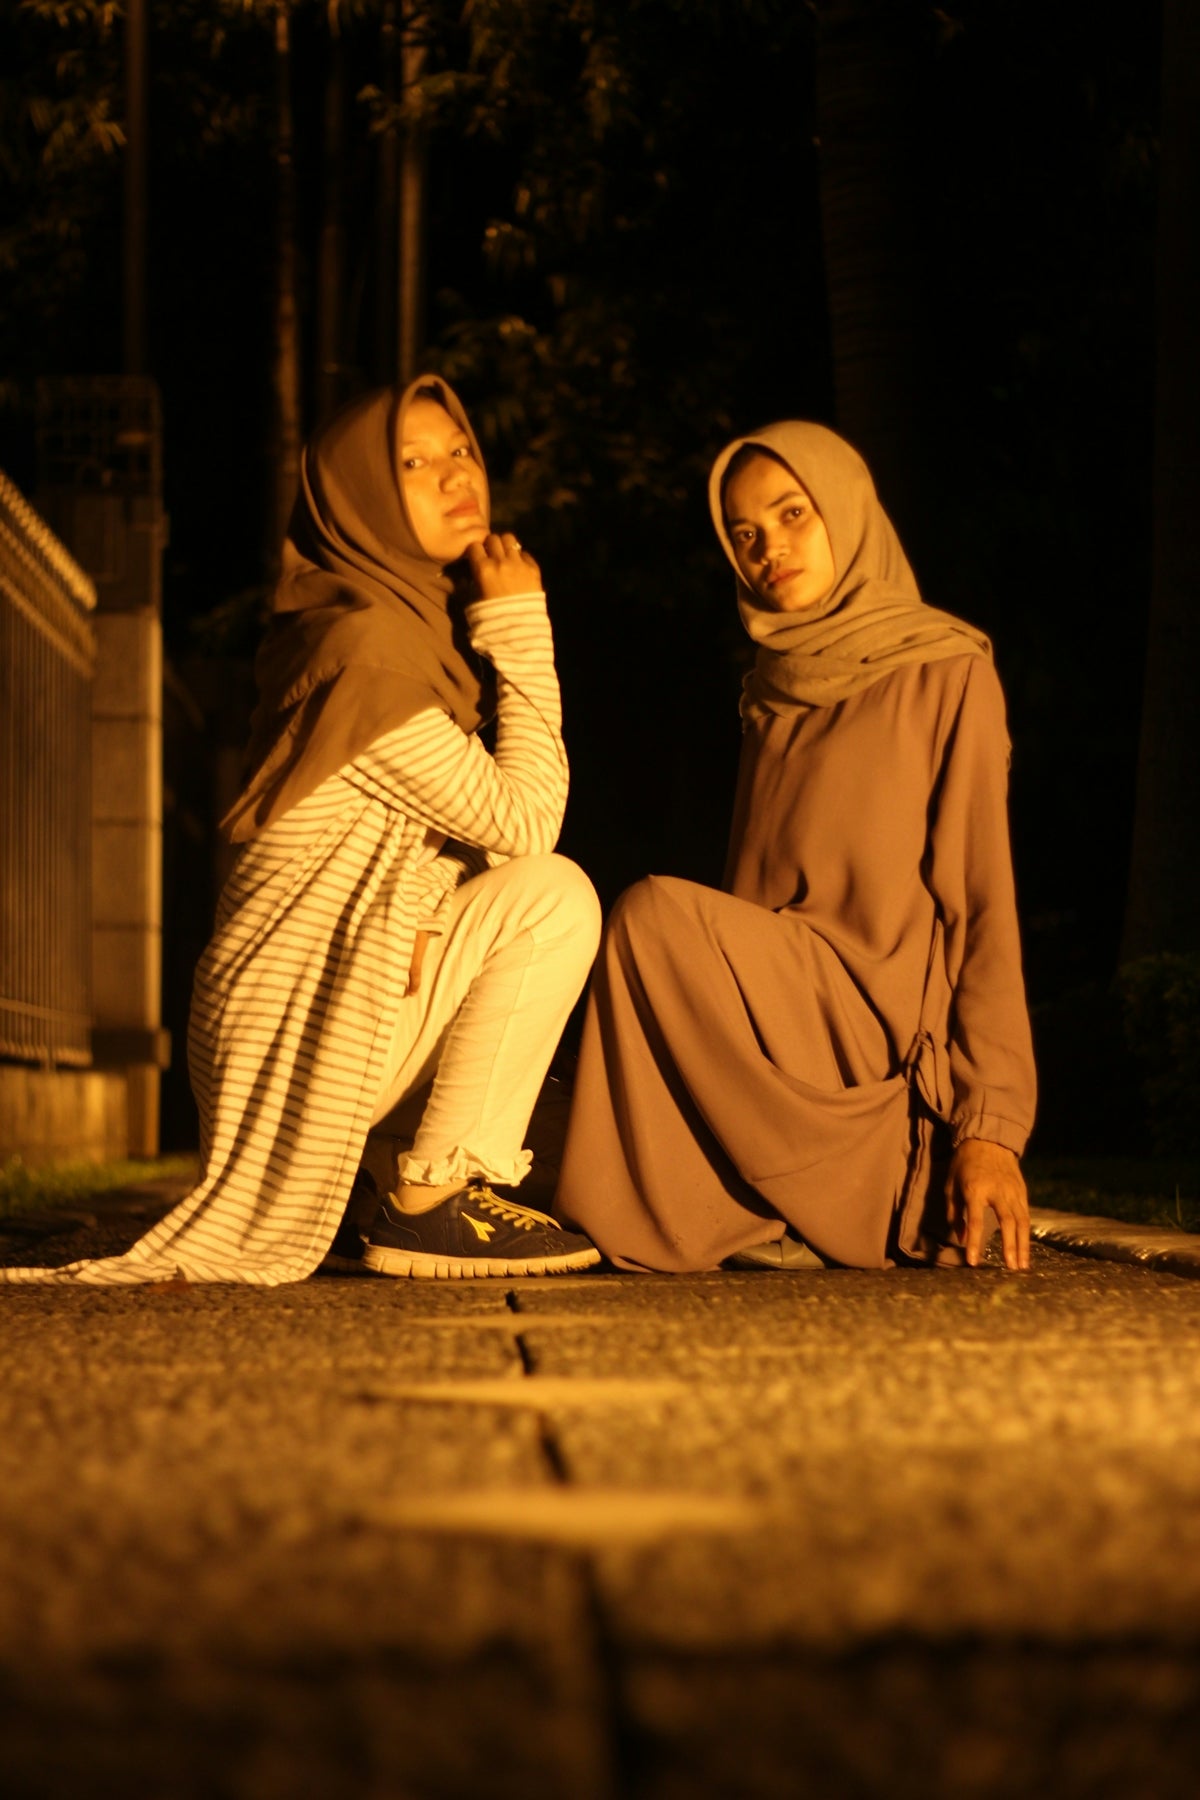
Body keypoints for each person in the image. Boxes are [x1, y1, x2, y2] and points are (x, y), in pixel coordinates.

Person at [3, 376, 601, 1285]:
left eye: (461, 451)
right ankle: (431, 1200)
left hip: (333, 1007)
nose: (453, 475)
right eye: (413, 462)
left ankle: (378, 1185)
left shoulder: (400, 633)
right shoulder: (362, 663)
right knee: (554, 898)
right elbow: (526, 824)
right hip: (298, 1028)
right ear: (359, 499)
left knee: (592, 1159)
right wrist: (521, 628)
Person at [555, 421, 1036, 1274]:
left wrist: (991, 1129)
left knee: (651, 914)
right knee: (618, 974)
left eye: (791, 515)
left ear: (845, 512)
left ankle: (821, 1189)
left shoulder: (945, 668)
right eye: (745, 535)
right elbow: (750, 901)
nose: (768, 548)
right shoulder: (773, 692)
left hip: (875, 1028)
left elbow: (981, 904)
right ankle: (761, 1201)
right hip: (784, 1012)